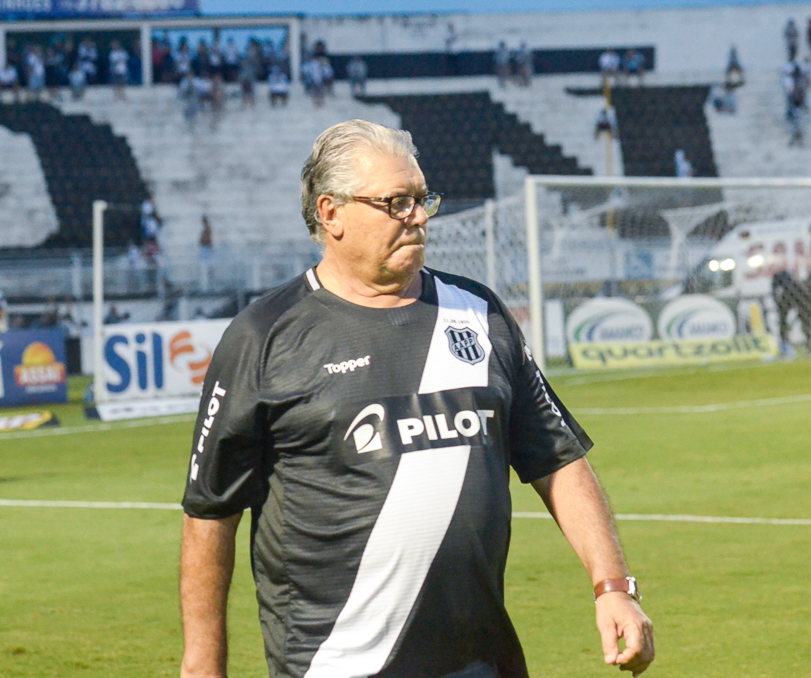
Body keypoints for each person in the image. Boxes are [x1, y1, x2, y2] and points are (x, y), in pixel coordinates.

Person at [179, 120, 655, 678]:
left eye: (422, 198)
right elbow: (211, 512)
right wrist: (203, 665)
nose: (420, 217)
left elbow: (559, 461)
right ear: (331, 213)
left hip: (482, 664)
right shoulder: (264, 335)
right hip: (336, 665)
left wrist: (613, 587)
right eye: (396, 203)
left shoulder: (479, 312)